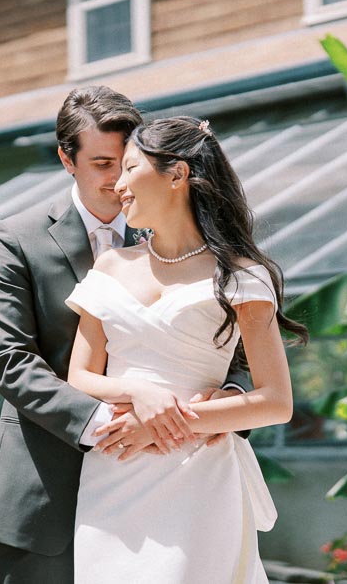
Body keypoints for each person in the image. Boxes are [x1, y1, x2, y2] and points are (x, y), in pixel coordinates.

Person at [0, 88, 250, 584]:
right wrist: (109, 424)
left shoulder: (182, 234)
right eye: (102, 163)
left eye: (127, 163)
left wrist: (226, 400)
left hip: (169, 487)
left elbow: (237, 349)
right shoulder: (18, 238)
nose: (118, 180)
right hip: (44, 489)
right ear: (66, 158)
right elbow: (9, 358)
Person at [64, 116, 308, 584]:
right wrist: (137, 392)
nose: (117, 185)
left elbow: (276, 402)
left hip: (197, 471)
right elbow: (79, 376)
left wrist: (162, 425)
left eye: (130, 168)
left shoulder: (241, 275)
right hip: (113, 470)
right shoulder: (111, 264)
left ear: (176, 174)